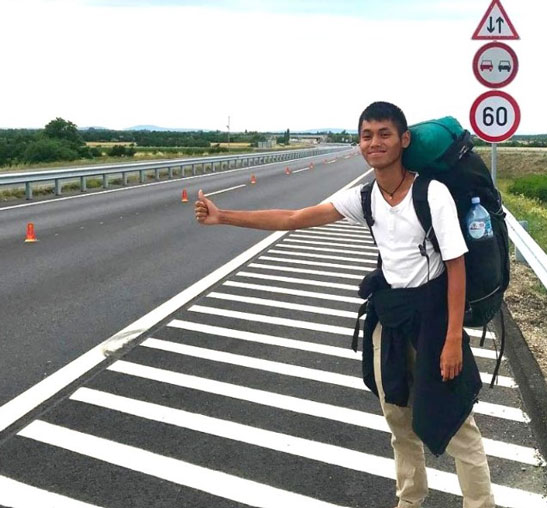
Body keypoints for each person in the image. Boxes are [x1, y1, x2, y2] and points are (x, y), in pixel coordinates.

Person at [195, 101, 495, 508]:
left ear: (404, 140)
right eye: (367, 135)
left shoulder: (431, 193)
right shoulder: (366, 197)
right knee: (398, 420)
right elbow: (295, 218)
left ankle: (481, 503)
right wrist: (224, 216)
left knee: (457, 423)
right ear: (359, 144)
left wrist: (452, 340)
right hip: (390, 318)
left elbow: (456, 267)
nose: (375, 142)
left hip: (434, 320)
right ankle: (410, 499)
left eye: (384, 134)